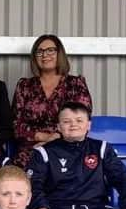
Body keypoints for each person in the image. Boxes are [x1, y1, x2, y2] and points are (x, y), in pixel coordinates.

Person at [28, 101, 126, 209]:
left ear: (88, 125)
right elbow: (33, 184)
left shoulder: (101, 149)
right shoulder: (44, 152)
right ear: (59, 126)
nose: (73, 125)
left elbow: (123, 179)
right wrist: (40, 207)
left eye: (79, 120)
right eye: (66, 121)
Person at [12, 34, 92, 167]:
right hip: (33, 149)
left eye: (50, 50)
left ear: (59, 54)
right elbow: (16, 125)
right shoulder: (24, 86)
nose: (45, 55)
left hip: (69, 147)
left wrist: (57, 139)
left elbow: (82, 120)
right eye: (40, 51)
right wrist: (44, 138)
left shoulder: (75, 84)